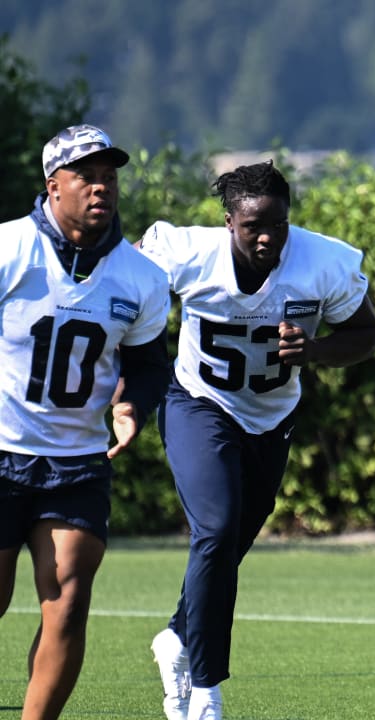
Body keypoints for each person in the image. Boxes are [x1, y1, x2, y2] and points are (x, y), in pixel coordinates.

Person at [136, 161, 375, 720]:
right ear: (229, 222)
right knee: (216, 530)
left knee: (229, 543)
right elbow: (126, 283)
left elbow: (366, 333)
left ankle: (177, 634)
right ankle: (205, 692)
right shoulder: (187, 253)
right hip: (199, 402)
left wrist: (314, 352)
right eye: (253, 227)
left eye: (278, 224)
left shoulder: (322, 262)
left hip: (272, 416)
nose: (268, 236)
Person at [0, 124, 170, 719]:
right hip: (0, 451)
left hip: (76, 463)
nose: (101, 187)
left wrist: (131, 407)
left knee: (68, 602)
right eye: (86, 176)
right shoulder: (8, 250)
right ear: (53, 186)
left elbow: (149, 364)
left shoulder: (142, 277)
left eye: (109, 176)